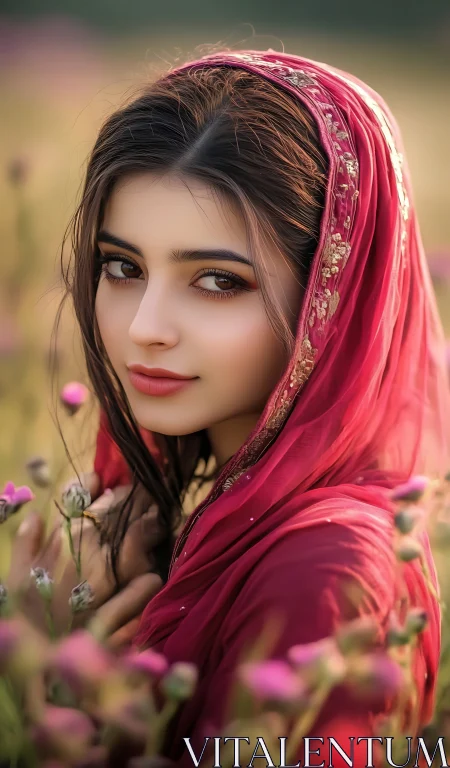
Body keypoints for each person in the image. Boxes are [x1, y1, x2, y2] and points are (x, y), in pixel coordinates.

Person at [14, 48, 450, 766]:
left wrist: (44, 691)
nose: (145, 324)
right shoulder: (212, 519)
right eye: (122, 267)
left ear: (327, 304)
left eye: (217, 281)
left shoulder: (326, 574)